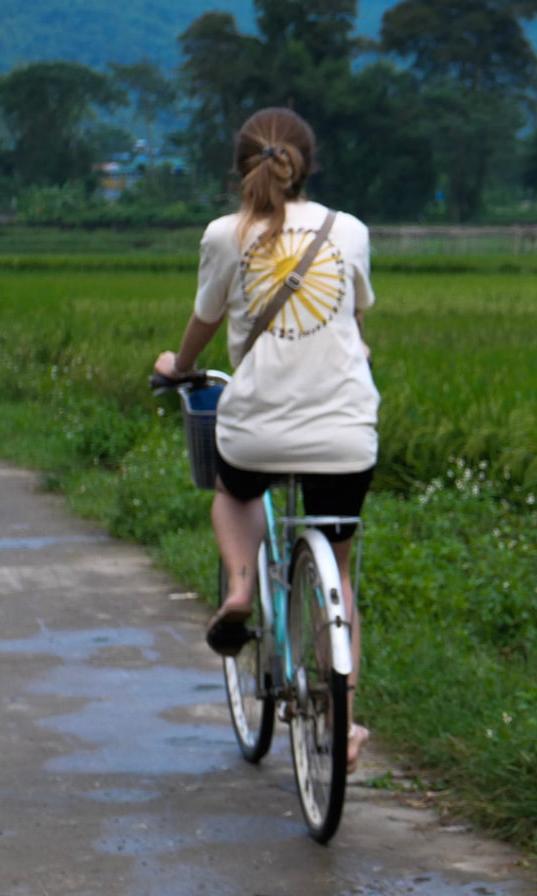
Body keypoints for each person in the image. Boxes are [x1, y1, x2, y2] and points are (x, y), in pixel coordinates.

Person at [150, 107, 379, 767]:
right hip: (345, 430)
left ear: (239, 166)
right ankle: (345, 723)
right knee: (336, 558)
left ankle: (241, 589)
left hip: (256, 427)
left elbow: (203, 322)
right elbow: (355, 320)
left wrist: (179, 367)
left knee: (234, 488)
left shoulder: (226, 235)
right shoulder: (350, 230)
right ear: (308, 161)